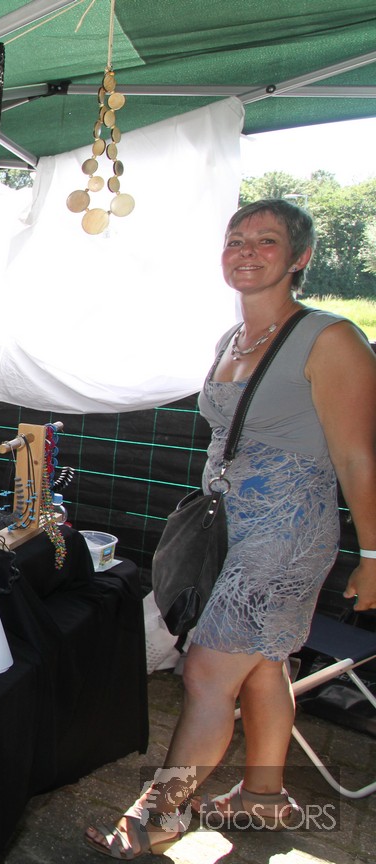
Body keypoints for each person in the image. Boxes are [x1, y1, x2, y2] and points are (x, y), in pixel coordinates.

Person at [85, 198, 376, 858]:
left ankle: (158, 816)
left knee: (207, 674)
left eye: (266, 241)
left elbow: (360, 456)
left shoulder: (330, 339)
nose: (246, 251)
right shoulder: (232, 339)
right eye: (235, 239)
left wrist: (374, 554)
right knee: (264, 664)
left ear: (299, 257)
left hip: (286, 536)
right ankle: (263, 796)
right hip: (230, 530)